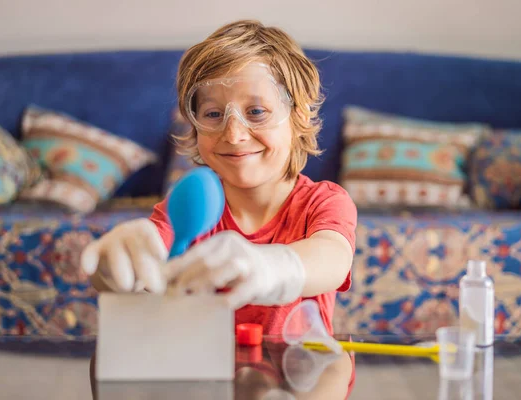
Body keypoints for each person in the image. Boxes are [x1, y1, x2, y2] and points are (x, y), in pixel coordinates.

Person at [81, 19, 357, 397]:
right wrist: (114, 271)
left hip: (299, 382)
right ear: (194, 126)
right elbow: (145, 266)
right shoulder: (187, 209)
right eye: (212, 114)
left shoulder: (322, 201)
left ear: (297, 117)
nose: (234, 133)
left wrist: (270, 265)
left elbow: (331, 257)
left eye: (256, 112)